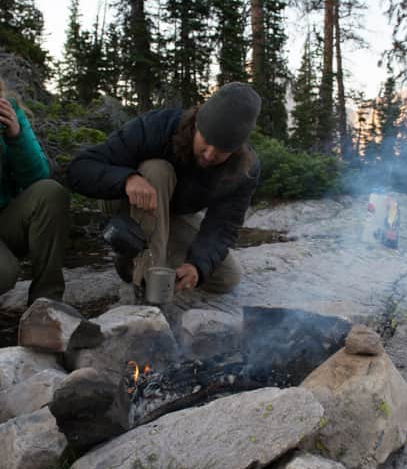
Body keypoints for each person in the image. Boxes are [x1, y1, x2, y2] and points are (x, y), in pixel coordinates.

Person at [68, 82, 261, 294]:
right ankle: (147, 285)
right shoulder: (158, 126)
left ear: (236, 149)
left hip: (169, 210)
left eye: (222, 150)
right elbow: (79, 169)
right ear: (196, 124)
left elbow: (223, 226)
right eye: (206, 141)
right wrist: (127, 179)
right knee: (157, 169)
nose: (209, 154)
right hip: (121, 196)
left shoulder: (244, 170)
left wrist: (196, 265)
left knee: (226, 277)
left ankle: (132, 259)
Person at [0, 79, 70, 305]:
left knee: (49, 193)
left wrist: (16, 137)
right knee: (4, 272)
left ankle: (46, 303)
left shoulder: (8, 110)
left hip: (6, 221)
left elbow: (38, 178)